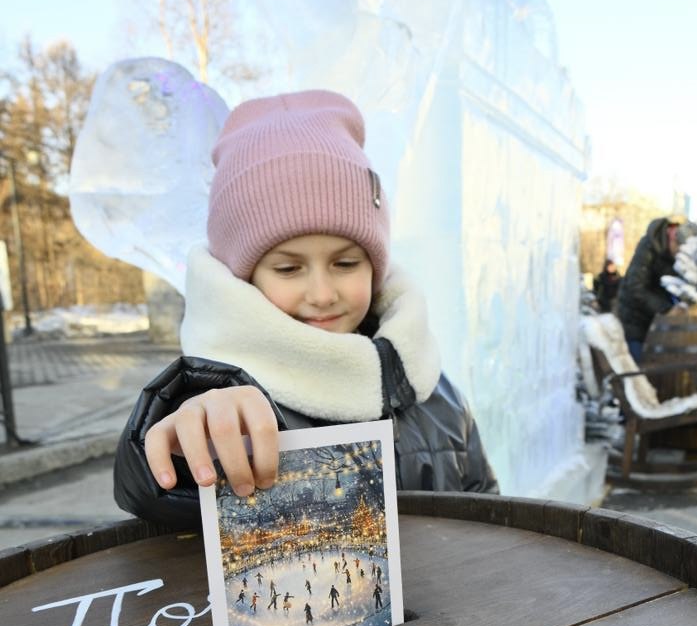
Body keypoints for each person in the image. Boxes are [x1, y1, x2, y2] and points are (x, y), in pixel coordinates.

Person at [113, 90, 498, 527]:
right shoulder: (215, 406)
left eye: (346, 263)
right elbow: (152, 500)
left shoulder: (432, 390)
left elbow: (489, 516)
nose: (321, 293)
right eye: (289, 268)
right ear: (244, 278)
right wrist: (176, 448)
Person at [616, 215, 684, 362]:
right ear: (671, 237)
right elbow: (635, 287)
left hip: (658, 326)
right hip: (636, 324)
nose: (680, 251)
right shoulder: (648, 248)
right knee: (641, 372)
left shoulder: (675, 257)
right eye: (678, 245)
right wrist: (666, 309)